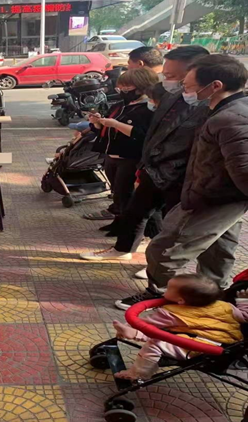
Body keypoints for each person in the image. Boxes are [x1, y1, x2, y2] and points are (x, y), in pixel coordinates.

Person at [117, 54, 248, 309]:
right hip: (219, 195)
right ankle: (212, 296)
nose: (184, 91)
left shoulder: (231, 118)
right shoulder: (226, 110)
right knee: (218, 249)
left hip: (212, 198)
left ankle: (160, 292)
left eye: (188, 86)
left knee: (164, 249)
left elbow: (244, 171)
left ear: (215, 86)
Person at [79, 47, 211, 288]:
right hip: (154, 167)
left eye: (171, 75)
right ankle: (125, 250)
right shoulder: (172, 97)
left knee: (173, 225)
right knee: (135, 211)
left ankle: (164, 278)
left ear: (196, 73)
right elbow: (154, 135)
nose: (165, 79)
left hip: (182, 176)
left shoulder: (209, 107)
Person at [112, 274, 247, 380]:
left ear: (181, 300)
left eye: (168, 289)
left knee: (155, 343)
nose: (165, 290)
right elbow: (244, 316)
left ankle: (138, 374)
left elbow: (147, 325)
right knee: (164, 334)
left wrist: (130, 327)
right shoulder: (225, 306)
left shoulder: (172, 313)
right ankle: (133, 334)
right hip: (225, 343)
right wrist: (243, 301)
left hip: (197, 347)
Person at [82, 68, 159, 221]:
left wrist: (116, 124)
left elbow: (142, 135)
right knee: (117, 188)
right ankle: (117, 210)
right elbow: (104, 130)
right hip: (111, 155)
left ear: (142, 86)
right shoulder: (119, 105)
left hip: (130, 158)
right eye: (121, 86)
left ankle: (124, 219)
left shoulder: (149, 109)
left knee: (125, 190)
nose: (122, 90)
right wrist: (97, 122)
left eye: (127, 86)